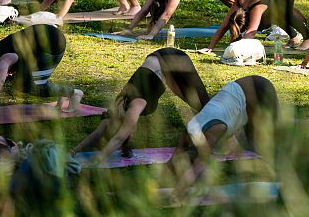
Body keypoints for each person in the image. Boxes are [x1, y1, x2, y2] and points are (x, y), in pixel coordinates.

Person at [71, 48, 210, 160]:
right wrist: (73, 151)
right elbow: (95, 136)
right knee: (198, 104)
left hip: (172, 60)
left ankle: (213, 137)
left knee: (203, 104)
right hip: (159, 58)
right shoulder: (116, 109)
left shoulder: (135, 106)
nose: (131, 134)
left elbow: (119, 139)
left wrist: (99, 159)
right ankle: (204, 135)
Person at [168, 75, 279, 194]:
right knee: (257, 138)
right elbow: (175, 158)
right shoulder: (190, 130)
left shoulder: (214, 130)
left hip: (255, 87)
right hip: (240, 90)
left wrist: (179, 189)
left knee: (270, 133)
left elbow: (199, 165)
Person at [0, 25, 83, 111]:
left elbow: (0, 81)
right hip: (38, 43)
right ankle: (63, 92)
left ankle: (74, 93)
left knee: (31, 86)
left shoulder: (3, 58)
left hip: (52, 45)